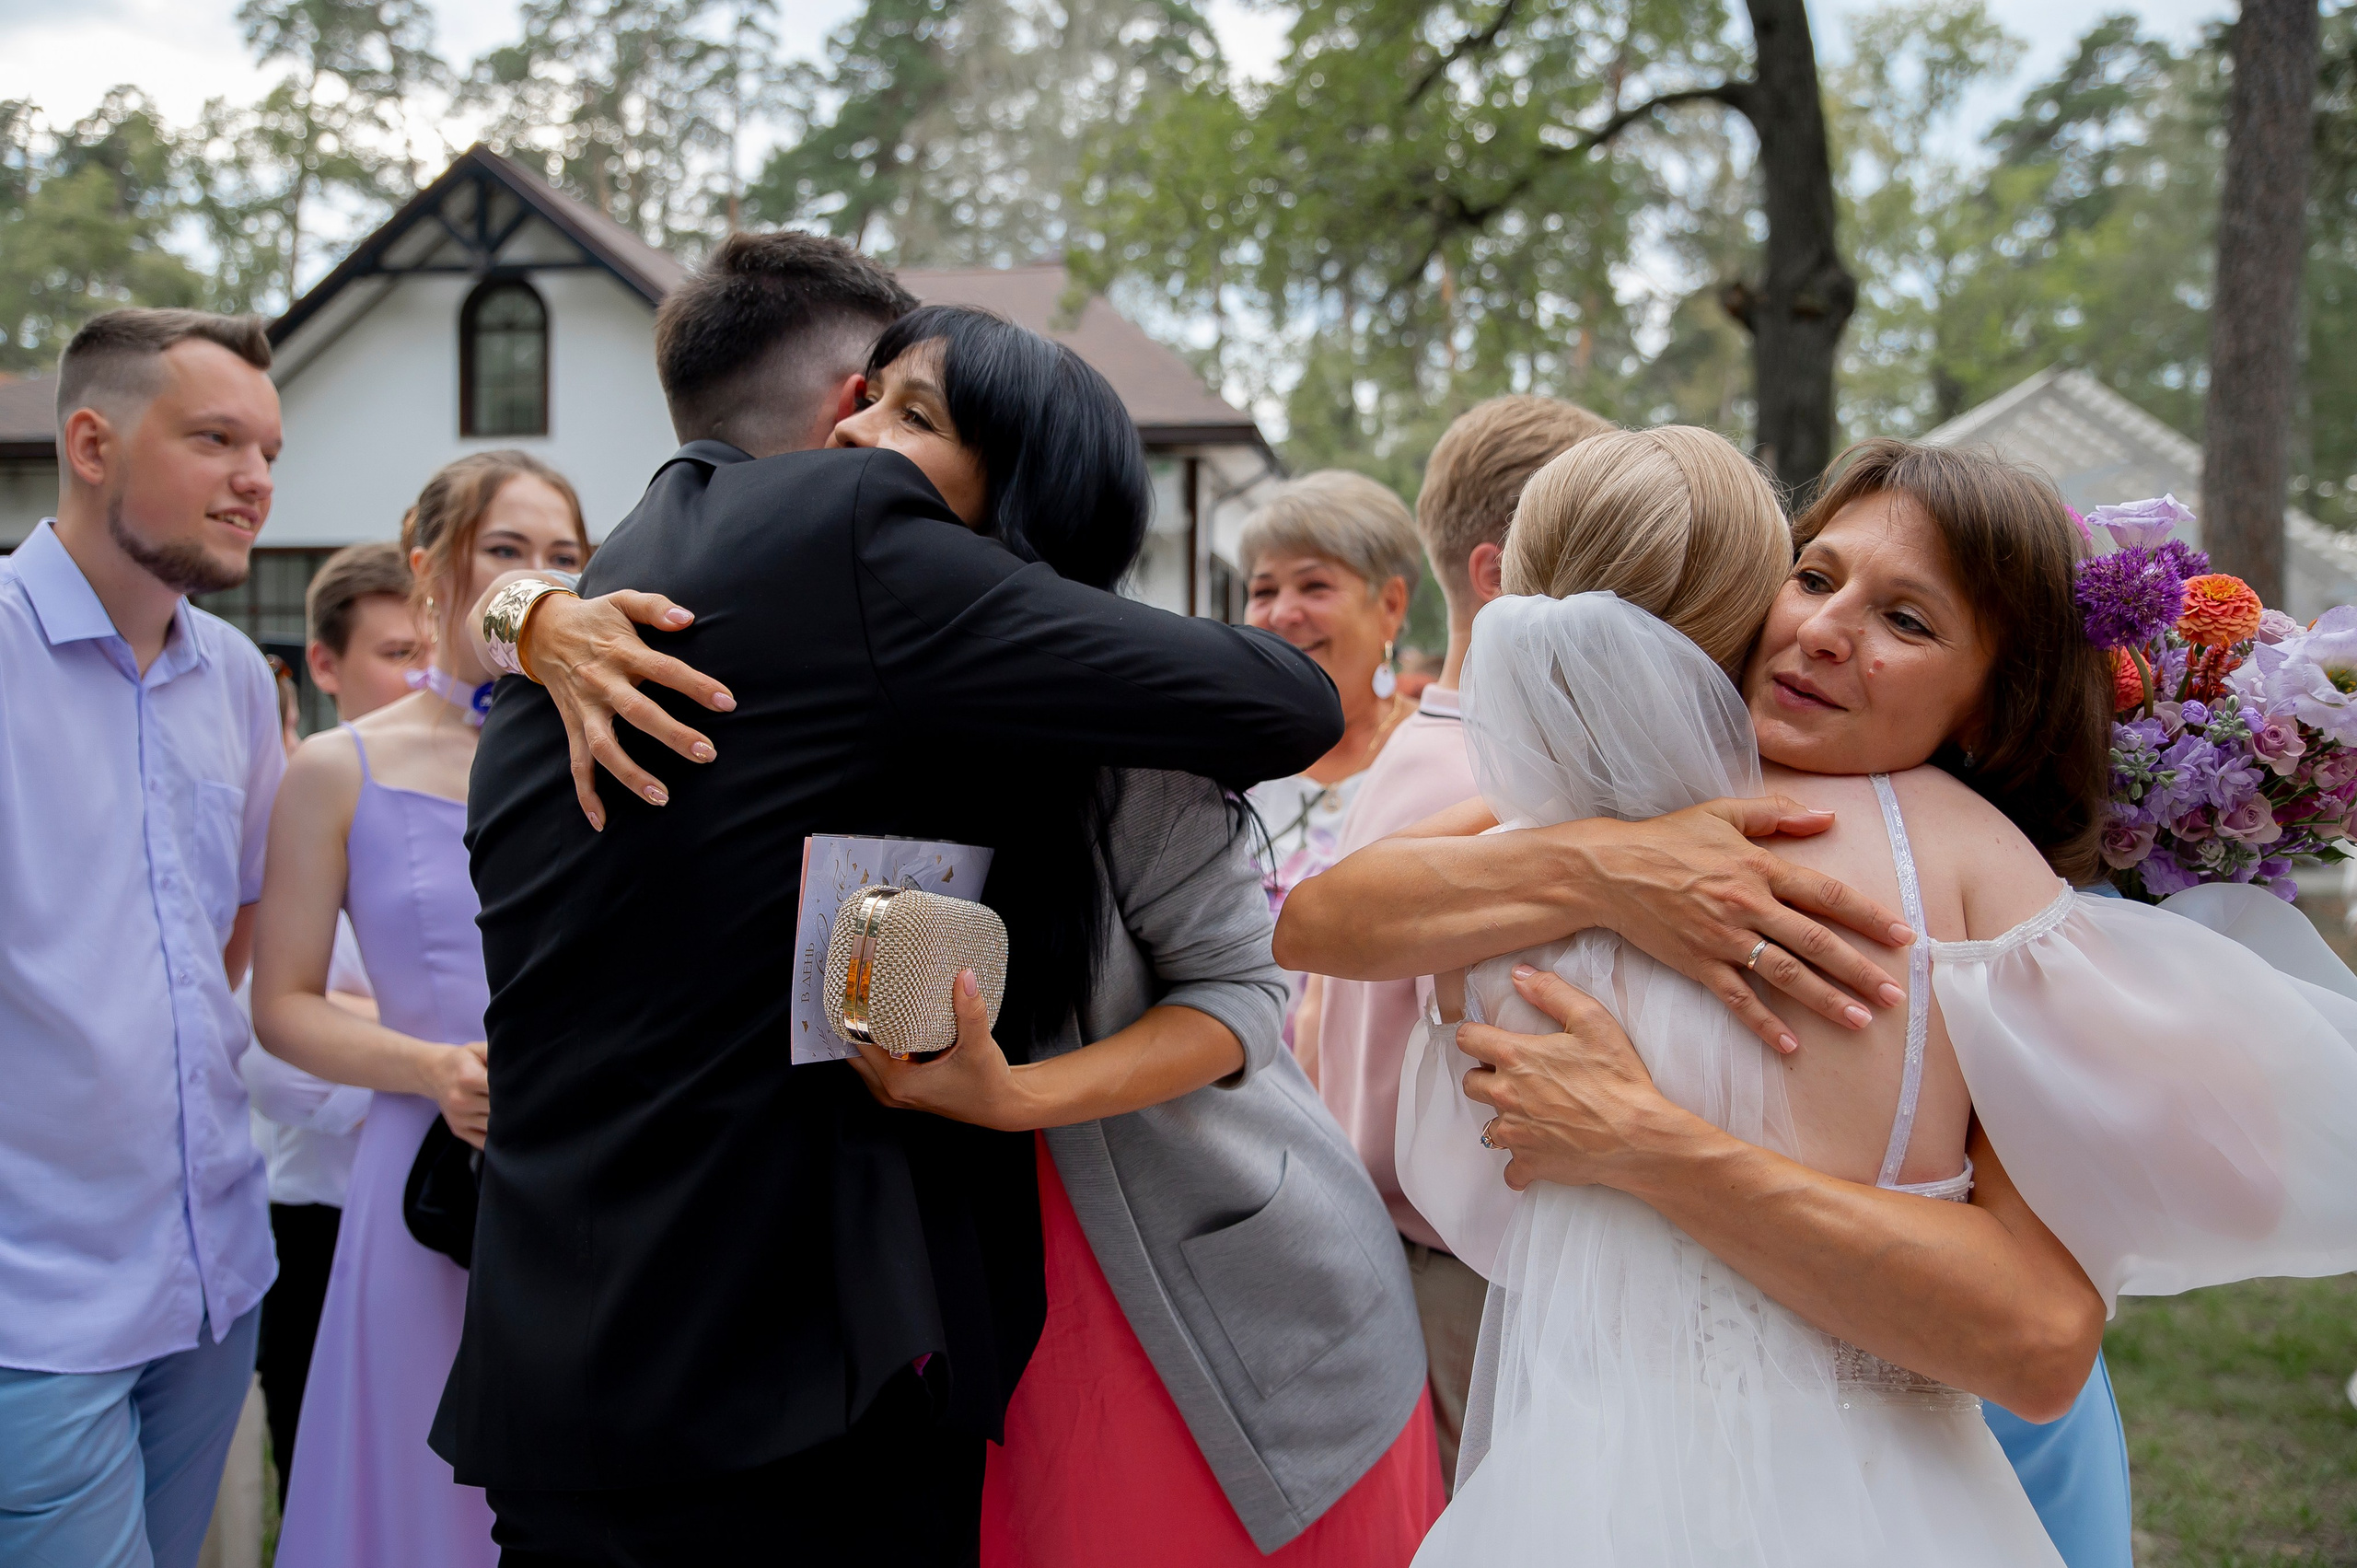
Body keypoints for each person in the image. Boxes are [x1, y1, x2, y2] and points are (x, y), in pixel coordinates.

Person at [435, 234, 1343, 1565]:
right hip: (780, 1397)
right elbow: (1290, 699)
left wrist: (518, 608)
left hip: (558, 1369)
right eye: (886, 395)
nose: (872, 433)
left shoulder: (597, 602)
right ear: (846, 393)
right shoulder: (846, 531)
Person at [1297, 433, 2357, 1562]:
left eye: (1906, 621)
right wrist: (1610, 862)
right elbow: (1321, 921)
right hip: (1580, 1479)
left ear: (1991, 708)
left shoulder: (1967, 884)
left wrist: (1649, 1141)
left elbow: (2044, 1340)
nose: (1821, 629)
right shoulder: (1603, 806)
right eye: (1813, 575)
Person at [809, 305, 1443, 1563]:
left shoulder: (1112, 733)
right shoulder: (816, 686)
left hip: (1199, 1317)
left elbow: (1243, 994)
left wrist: (1017, 1093)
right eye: (864, 398)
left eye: (914, 414)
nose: (855, 430)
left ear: (1019, 497)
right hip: (941, 1310)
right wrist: (533, 621)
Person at [251, 454, 588, 1568]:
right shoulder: (337, 768)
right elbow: (285, 1005)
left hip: (589, 1185)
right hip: (421, 1182)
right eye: (506, 549)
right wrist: (431, 1069)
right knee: (419, 1497)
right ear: (430, 569)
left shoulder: (603, 753)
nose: (536, 578)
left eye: (563, 557)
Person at [0, 308, 285, 1568]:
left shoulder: (232, 675)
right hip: (32, 1300)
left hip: (217, 1273)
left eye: (270, 450)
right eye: (217, 438)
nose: (255, 481)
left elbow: (230, 932)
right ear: (92, 442)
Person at [1307, 394, 1614, 1491]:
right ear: (1496, 572)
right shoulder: (1475, 777)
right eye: (1594, 552)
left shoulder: (1434, 751)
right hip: (1451, 1256)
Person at [240, 541, 422, 1506]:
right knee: (336, 1491)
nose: (423, 674)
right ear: (324, 667)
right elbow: (282, 1070)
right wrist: (427, 1039)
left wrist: (356, 1018)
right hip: (318, 1227)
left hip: (465, 1224)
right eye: (396, 653)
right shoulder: (298, 813)